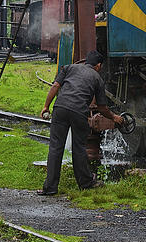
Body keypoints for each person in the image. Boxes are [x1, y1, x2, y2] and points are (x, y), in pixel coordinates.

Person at [37, 50, 122, 195]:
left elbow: (55, 86)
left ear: (86, 61)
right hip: (78, 112)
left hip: (60, 108)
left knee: (55, 148)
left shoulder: (69, 68)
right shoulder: (97, 78)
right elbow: (102, 108)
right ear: (98, 65)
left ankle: (50, 188)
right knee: (79, 149)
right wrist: (114, 117)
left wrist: (46, 106)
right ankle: (86, 183)